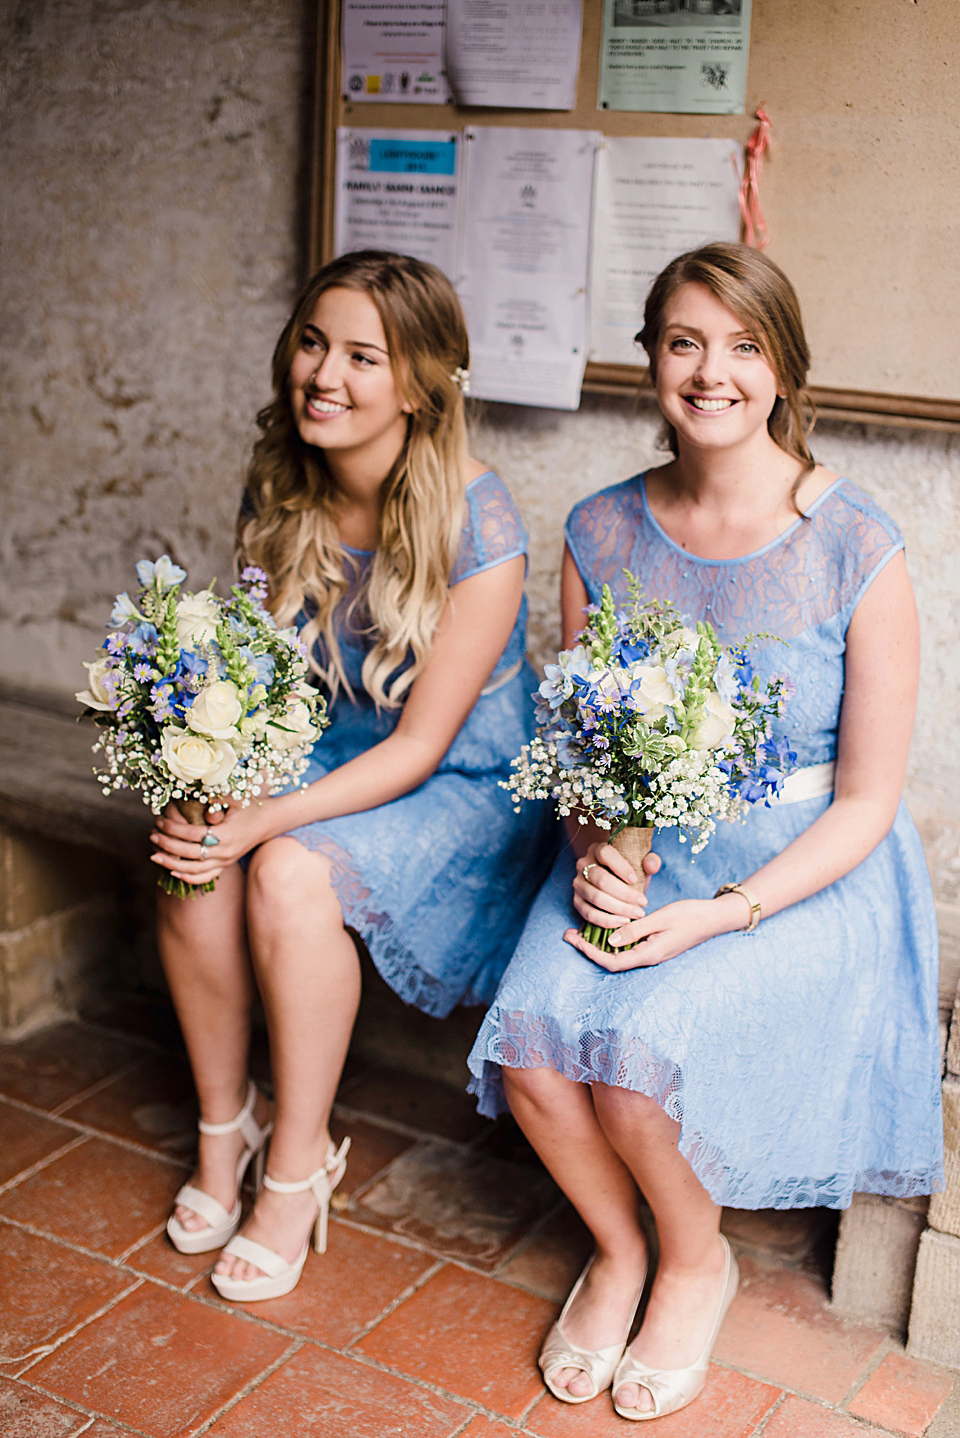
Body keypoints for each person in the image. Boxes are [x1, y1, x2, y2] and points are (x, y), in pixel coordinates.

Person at [467, 242, 943, 1422]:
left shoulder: (858, 543)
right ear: (652, 361)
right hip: (638, 859)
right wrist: (604, 855)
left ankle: (694, 1262)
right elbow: (583, 748)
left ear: (783, 368)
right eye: (684, 341)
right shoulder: (601, 529)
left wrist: (720, 914)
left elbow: (868, 805)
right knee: (530, 1054)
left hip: (800, 878)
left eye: (742, 345)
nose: (711, 371)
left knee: (637, 1072)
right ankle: (619, 1249)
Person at [150, 249, 557, 1303]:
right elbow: (255, 656)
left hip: (458, 776)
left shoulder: (481, 520)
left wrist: (267, 818)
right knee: (191, 834)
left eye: (362, 356)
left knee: (286, 868)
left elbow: (421, 747)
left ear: (419, 385)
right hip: (324, 742)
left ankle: (295, 1168)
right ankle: (219, 1125)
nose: (323, 373)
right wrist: (216, 769)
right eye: (314, 342)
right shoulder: (281, 481)